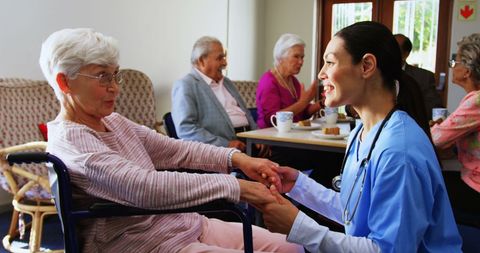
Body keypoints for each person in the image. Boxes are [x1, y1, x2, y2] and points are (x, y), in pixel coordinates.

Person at [39, 28, 303, 253]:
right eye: (102, 76)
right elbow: (144, 187)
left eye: (115, 74)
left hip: (183, 224)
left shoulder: (114, 121)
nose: (115, 87)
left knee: (292, 247)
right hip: (144, 243)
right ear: (65, 83)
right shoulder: (72, 141)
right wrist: (237, 187)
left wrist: (238, 159)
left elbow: (175, 150)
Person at [256, 21, 462, 253]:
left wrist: (299, 228)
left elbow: (387, 250)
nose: (321, 73)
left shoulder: (398, 152)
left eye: (330, 62)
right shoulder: (360, 134)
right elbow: (353, 210)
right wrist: (299, 185)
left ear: (366, 66)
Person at [172, 36, 269, 157]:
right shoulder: (186, 85)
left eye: (224, 57)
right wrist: (225, 144)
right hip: (220, 153)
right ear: (202, 61)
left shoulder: (227, 82)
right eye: (220, 58)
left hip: (249, 145)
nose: (225, 63)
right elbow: (186, 129)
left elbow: (246, 114)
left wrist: (257, 136)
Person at [430, 33, 480, 225]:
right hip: (470, 179)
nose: (452, 66)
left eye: (455, 61)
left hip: (475, 187)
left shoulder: (476, 100)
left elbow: (435, 139)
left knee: (422, 191)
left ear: (467, 70)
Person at [256, 33, 321, 128]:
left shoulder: (293, 81)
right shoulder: (268, 82)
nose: (301, 62)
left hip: (292, 134)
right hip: (271, 136)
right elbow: (272, 119)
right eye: (296, 56)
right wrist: (303, 102)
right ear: (281, 57)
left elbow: (303, 113)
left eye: (302, 57)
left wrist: (323, 103)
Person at [394, 34, 443, 119]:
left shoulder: (424, 77)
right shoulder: (375, 74)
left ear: (405, 54)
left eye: (394, 49)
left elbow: (434, 108)